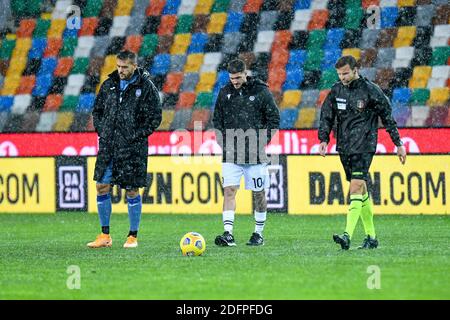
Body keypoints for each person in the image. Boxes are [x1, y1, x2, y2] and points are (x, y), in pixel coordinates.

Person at [318, 55, 407, 250]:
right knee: (362, 190)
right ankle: (371, 237)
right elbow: (326, 115)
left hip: (364, 146)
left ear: (356, 69)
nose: (342, 77)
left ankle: (347, 235)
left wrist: (398, 143)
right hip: (344, 147)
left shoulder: (370, 91)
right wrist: (323, 139)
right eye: (340, 74)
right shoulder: (336, 90)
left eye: (346, 73)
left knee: (355, 188)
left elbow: (387, 117)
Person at [87, 50, 162, 248]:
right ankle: (105, 236)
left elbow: (155, 117)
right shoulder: (109, 84)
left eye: (124, 67)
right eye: (118, 66)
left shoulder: (146, 87)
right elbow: (97, 111)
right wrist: (102, 131)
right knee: (101, 186)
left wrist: (135, 136)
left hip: (132, 148)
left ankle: (132, 236)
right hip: (108, 146)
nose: (120, 70)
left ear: (134, 66)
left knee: (131, 190)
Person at [213, 59, 280, 247]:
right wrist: (222, 142)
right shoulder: (224, 92)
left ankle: (258, 233)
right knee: (229, 191)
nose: (234, 81)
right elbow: (217, 120)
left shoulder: (260, 91)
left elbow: (274, 119)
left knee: (258, 193)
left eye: (238, 77)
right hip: (231, 153)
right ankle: (228, 234)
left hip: (255, 154)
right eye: (231, 78)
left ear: (245, 73)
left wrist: (261, 141)